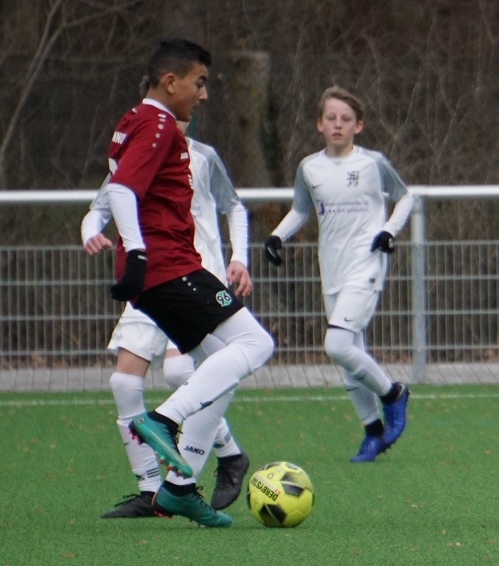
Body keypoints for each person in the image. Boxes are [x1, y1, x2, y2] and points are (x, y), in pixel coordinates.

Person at [93, 38, 274, 528]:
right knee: (256, 344)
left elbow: (116, 191)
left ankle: (178, 487)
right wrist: (136, 251)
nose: (205, 94)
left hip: (163, 271)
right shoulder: (156, 126)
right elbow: (120, 191)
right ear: (171, 83)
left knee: (218, 363)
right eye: (200, 83)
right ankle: (164, 422)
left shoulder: (138, 125)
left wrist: (109, 238)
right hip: (171, 268)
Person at [83, 115, 253, 519]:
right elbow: (99, 208)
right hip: (149, 279)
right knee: (123, 382)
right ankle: (150, 490)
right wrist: (90, 231)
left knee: (179, 373)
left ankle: (226, 454)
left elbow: (234, 207)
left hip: (194, 278)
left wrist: (240, 257)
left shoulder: (202, 157)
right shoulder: (135, 158)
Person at [263, 86, 412, 463]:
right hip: (331, 268)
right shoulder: (309, 168)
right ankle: (373, 433)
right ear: (319, 124)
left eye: (346, 119)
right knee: (348, 355)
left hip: (366, 264)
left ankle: (393, 394)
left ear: (358, 126)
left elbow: (405, 197)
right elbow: (301, 210)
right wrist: (277, 236)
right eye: (331, 118)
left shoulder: (372, 163)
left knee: (337, 345)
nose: (338, 124)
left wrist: (388, 230)